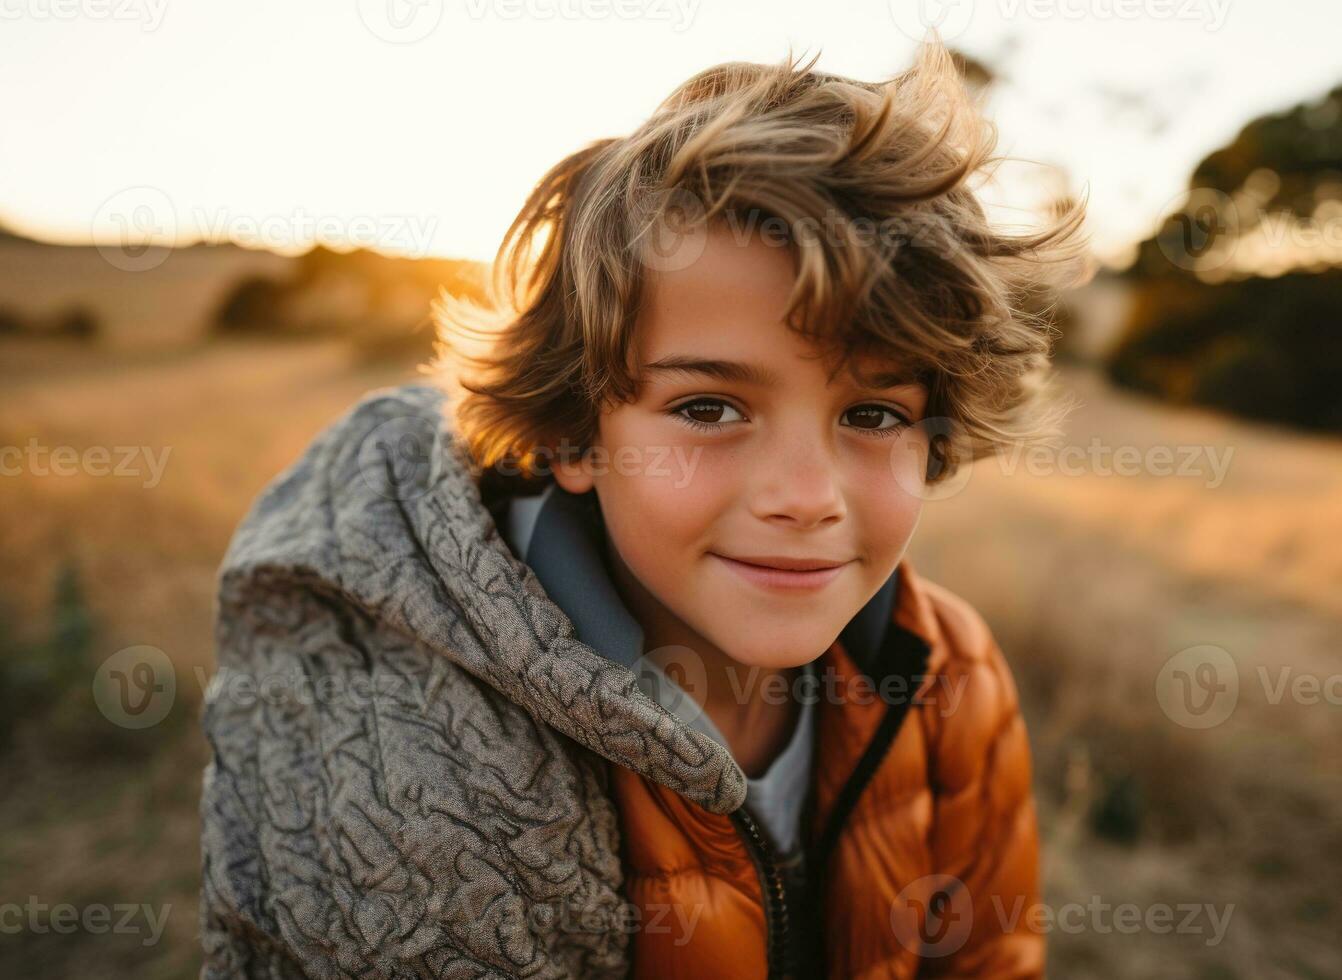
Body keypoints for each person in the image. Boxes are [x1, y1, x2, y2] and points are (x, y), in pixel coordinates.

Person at [199, 39, 1085, 979]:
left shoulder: (952, 674)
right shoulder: (422, 778)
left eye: (872, 415)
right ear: (577, 433)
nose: (805, 498)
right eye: (708, 408)